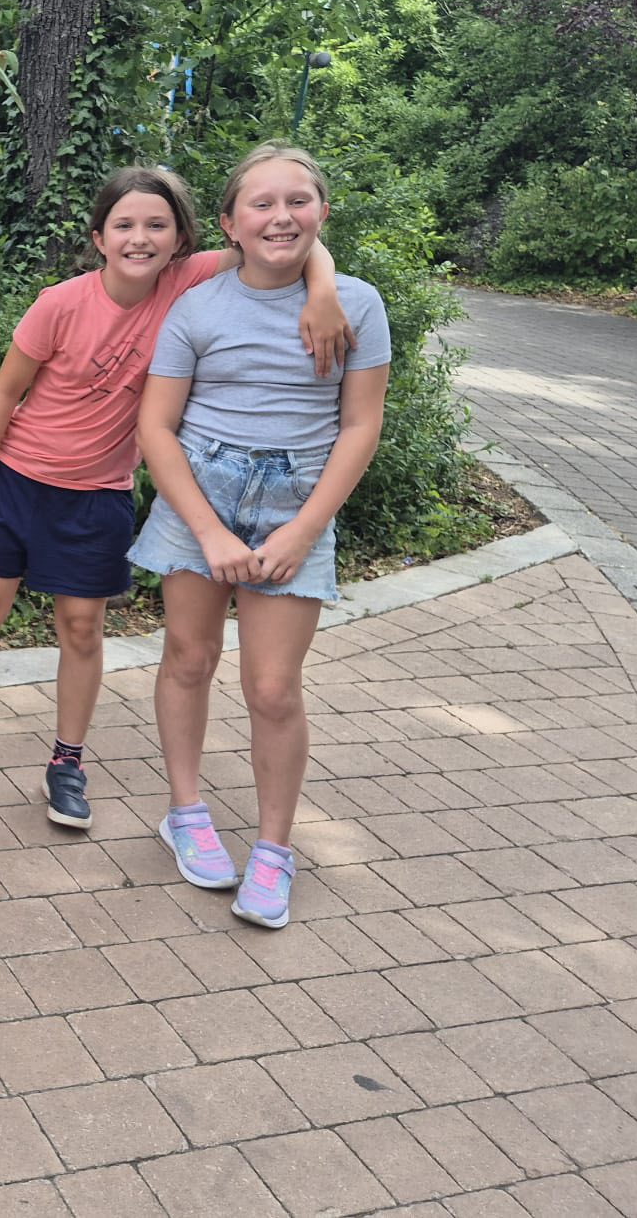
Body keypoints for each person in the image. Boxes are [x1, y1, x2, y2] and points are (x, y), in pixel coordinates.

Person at [0, 167, 352, 827]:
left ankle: (67, 761)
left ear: (181, 240)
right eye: (123, 225)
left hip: (98, 496)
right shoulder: (60, 303)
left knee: (81, 628)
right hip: (16, 483)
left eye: (156, 225)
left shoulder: (183, 282)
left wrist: (323, 291)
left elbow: (285, 242)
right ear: (99, 238)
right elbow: (4, 394)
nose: (140, 238)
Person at [133, 143, 389, 929]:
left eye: (298, 201)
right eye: (262, 204)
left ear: (323, 212)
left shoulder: (355, 305)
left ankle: (274, 851)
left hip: (295, 506)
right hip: (197, 500)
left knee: (273, 689)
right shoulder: (197, 306)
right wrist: (207, 532)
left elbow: (360, 425)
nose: (282, 217)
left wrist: (305, 531)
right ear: (229, 224)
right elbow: (156, 426)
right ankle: (186, 812)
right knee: (189, 659)